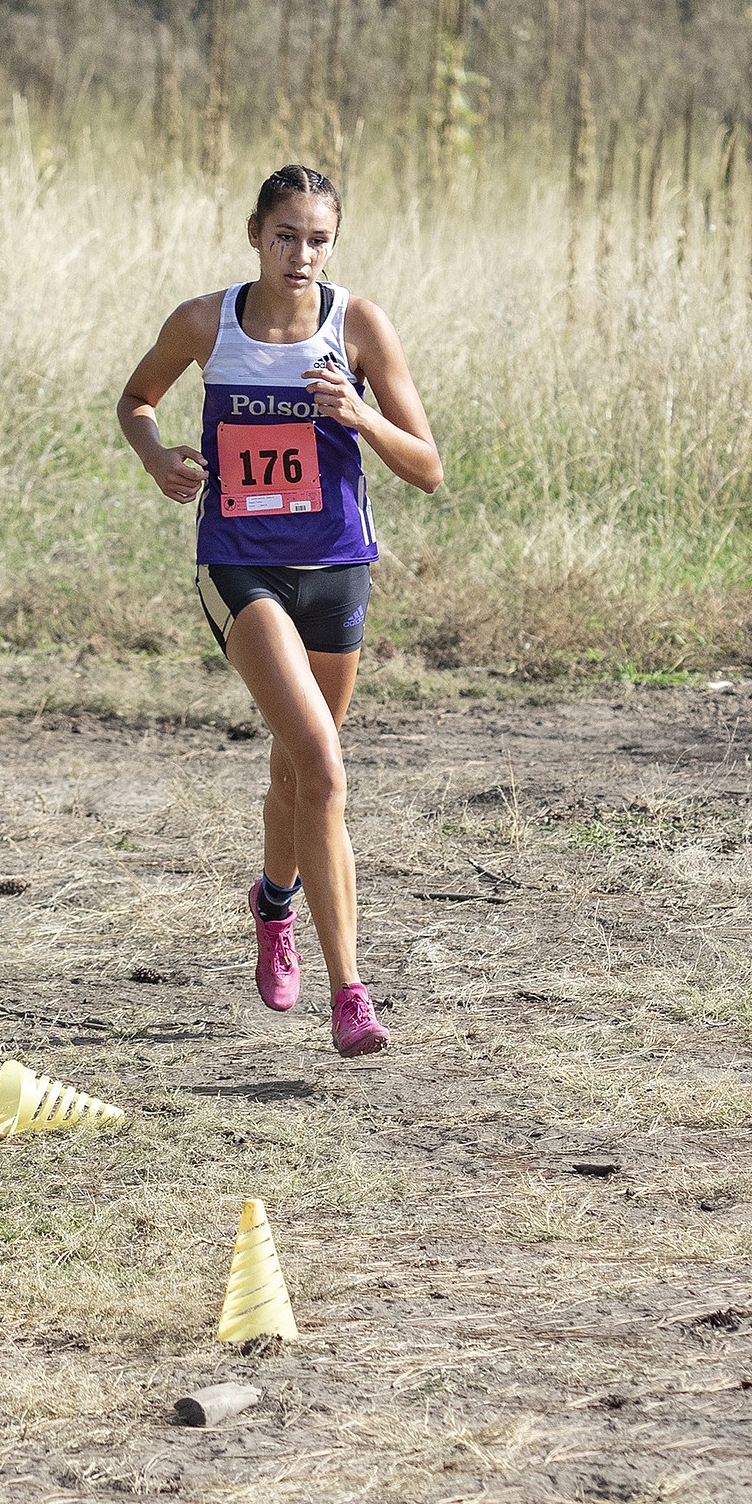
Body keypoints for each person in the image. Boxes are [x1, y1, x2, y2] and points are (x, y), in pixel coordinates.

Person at [116, 164, 441, 1058]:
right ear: (255, 234)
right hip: (240, 568)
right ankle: (352, 997)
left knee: (297, 776)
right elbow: (135, 400)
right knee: (326, 772)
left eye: (319, 239)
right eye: (286, 235)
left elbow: (429, 465)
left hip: (337, 572)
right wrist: (156, 456)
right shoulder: (205, 322)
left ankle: (272, 902)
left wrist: (360, 418)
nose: (302, 254)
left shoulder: (359, 326)